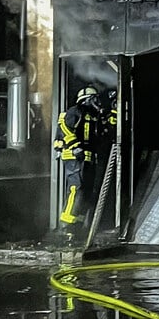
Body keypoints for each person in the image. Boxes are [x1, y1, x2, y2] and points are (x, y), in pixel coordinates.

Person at [55, 86, 103, 233]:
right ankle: (65, 226)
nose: (97, 101)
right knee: (77, 189)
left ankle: (76, 226)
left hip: (88, 159)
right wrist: (75, 146)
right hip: (74, 157)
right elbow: (64, 127)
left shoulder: (94, 115)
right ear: (87, 99)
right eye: (95, 98)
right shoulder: (75, 111)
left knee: (86, 192)